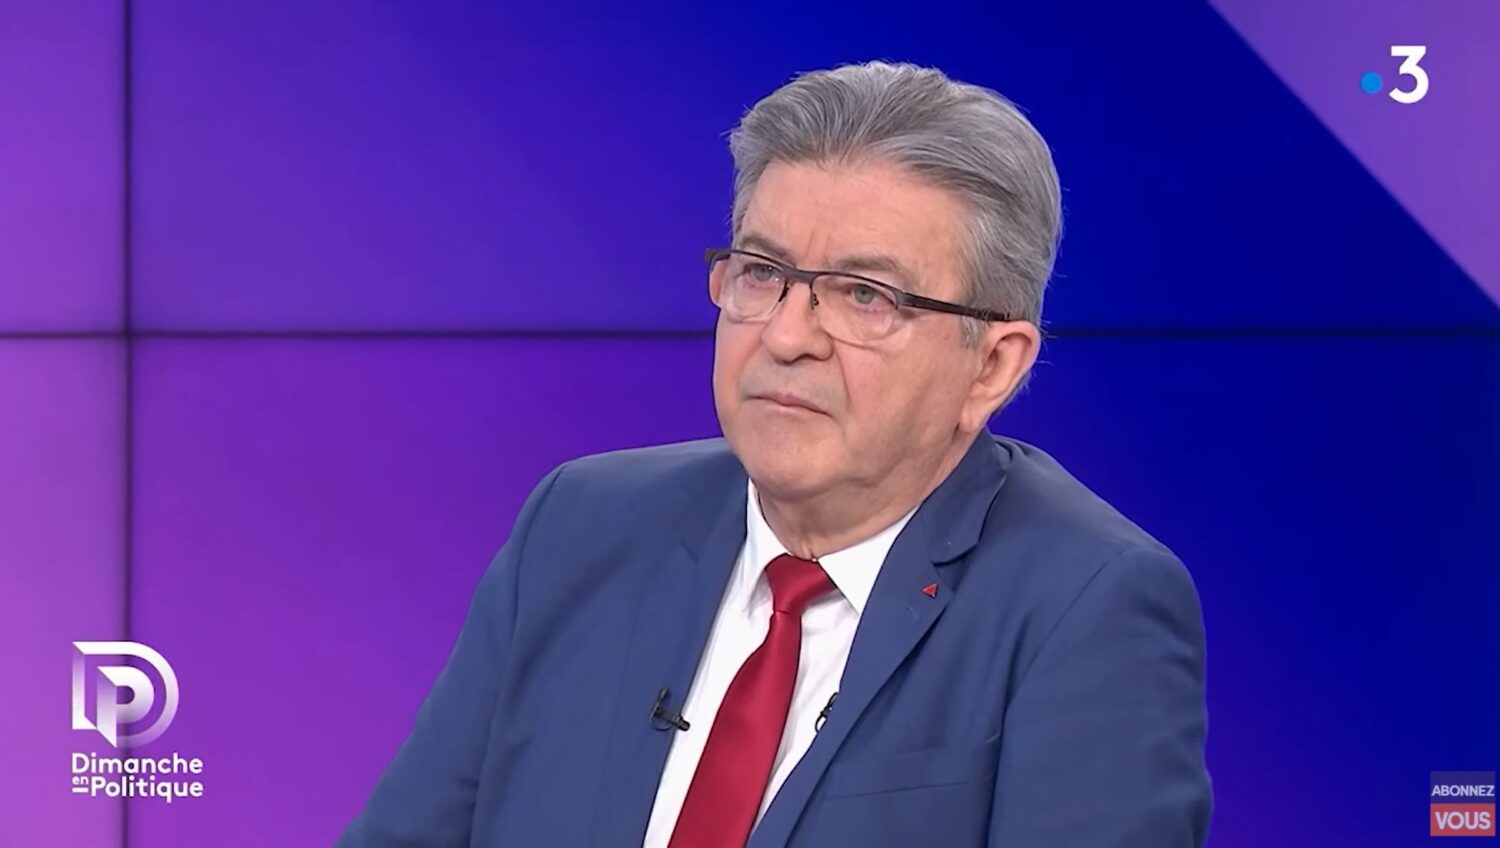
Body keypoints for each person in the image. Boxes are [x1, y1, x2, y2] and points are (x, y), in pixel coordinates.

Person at [338, 60, 1211, 847]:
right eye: (762, 272)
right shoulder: (580, 525)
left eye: (865, 296)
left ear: (991, 365)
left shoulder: (1085, 608)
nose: (788, 336)